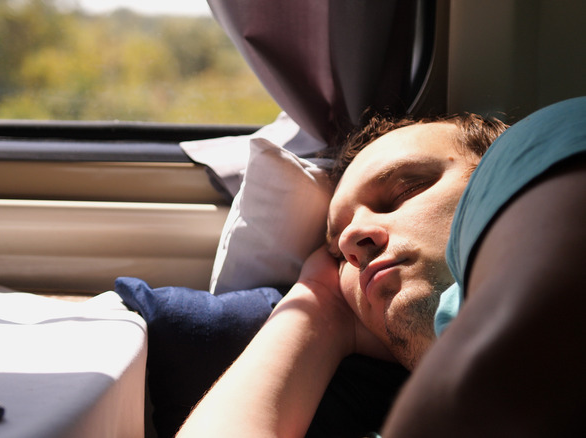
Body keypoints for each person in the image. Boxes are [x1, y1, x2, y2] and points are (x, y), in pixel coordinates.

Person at [176, 96, 586, 437]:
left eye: (406, 189)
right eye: (338, 251)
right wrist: (318, 304)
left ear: (497, 177)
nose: (352, 241)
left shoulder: (548, 139)